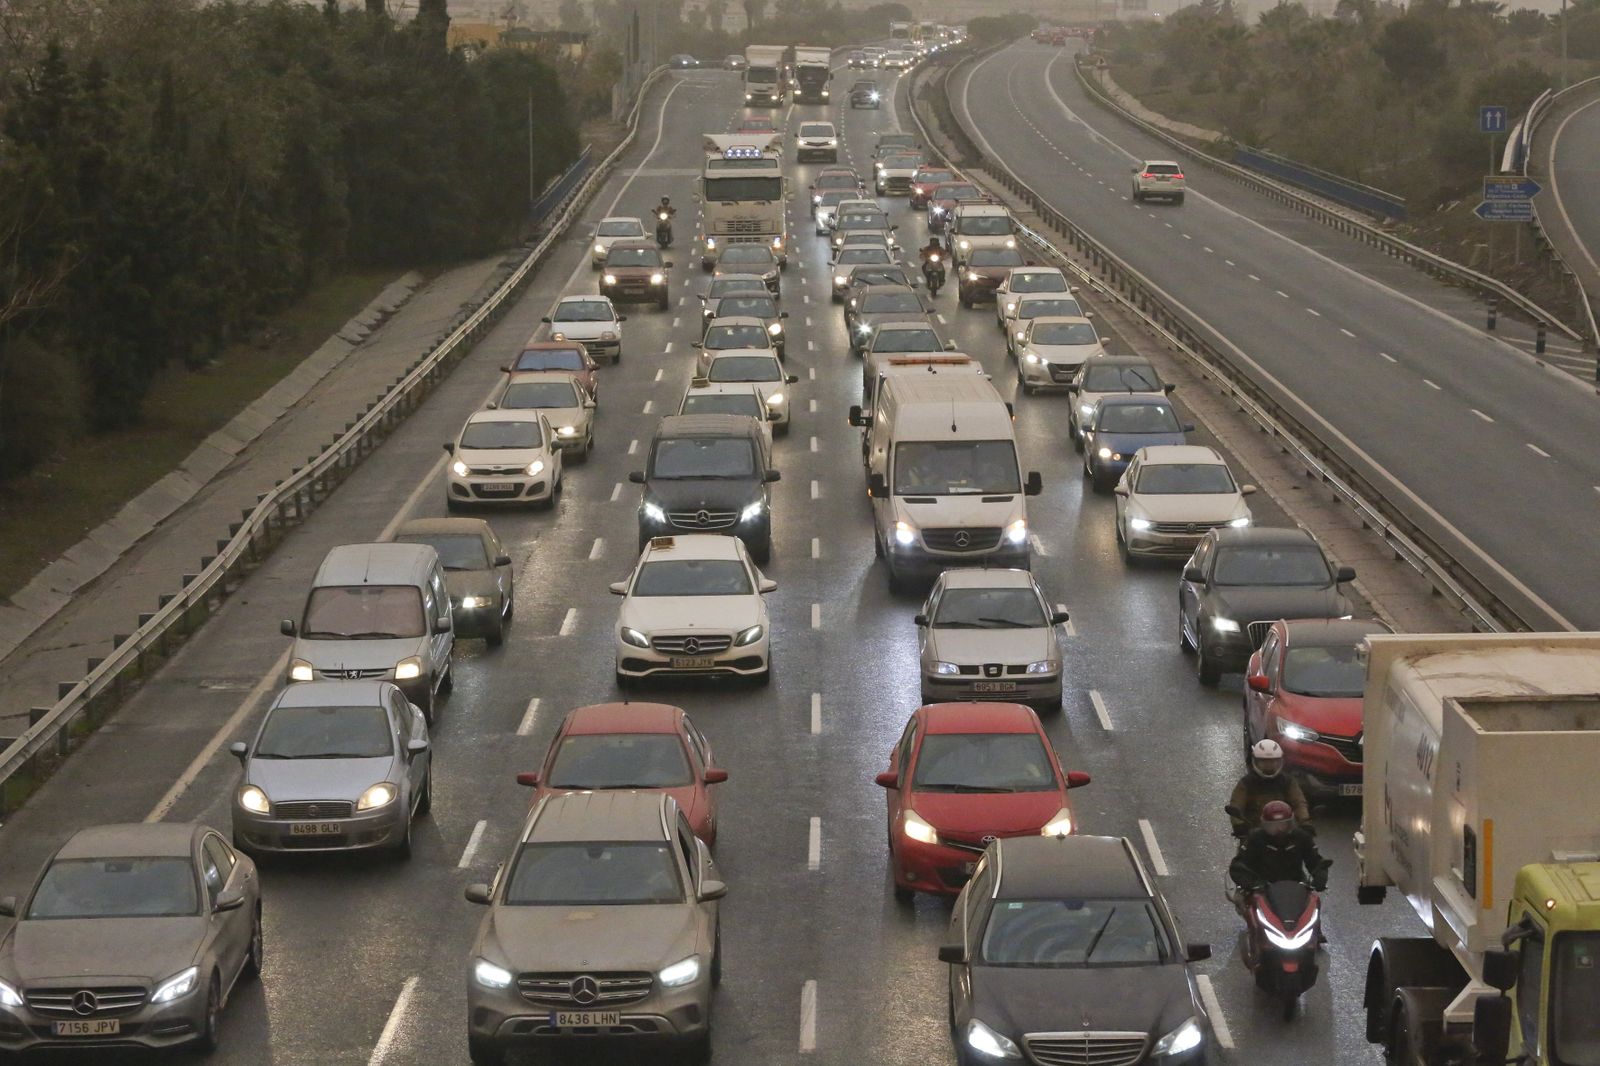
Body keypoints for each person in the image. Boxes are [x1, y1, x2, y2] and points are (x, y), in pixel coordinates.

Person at [1229, 800, 1330, 894]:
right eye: (1273, 826)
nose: (1279, 829)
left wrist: (1320, 876)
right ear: (1265, 825)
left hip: (1296, 888)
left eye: (1283, 824)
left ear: (1290, 824)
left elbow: (1315, 861)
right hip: (1261, 890)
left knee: (1313, 901)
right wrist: (1252, 883)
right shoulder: (1256, 838)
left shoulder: (1301, 837)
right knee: (1242, 900)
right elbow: (1238, 865)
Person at [1228, 739, 1311, 838]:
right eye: (1264, 762)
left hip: (1284, 832)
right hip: (1254, 833)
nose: (1269, 766)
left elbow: (1299, 802)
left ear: (1280, 761)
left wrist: (1304, 822)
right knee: (1246, 847)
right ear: (1255, 762)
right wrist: (1239, 825)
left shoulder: (1287, 781)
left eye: (1273, 762)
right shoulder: (1246, 783)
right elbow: (1236, 805)